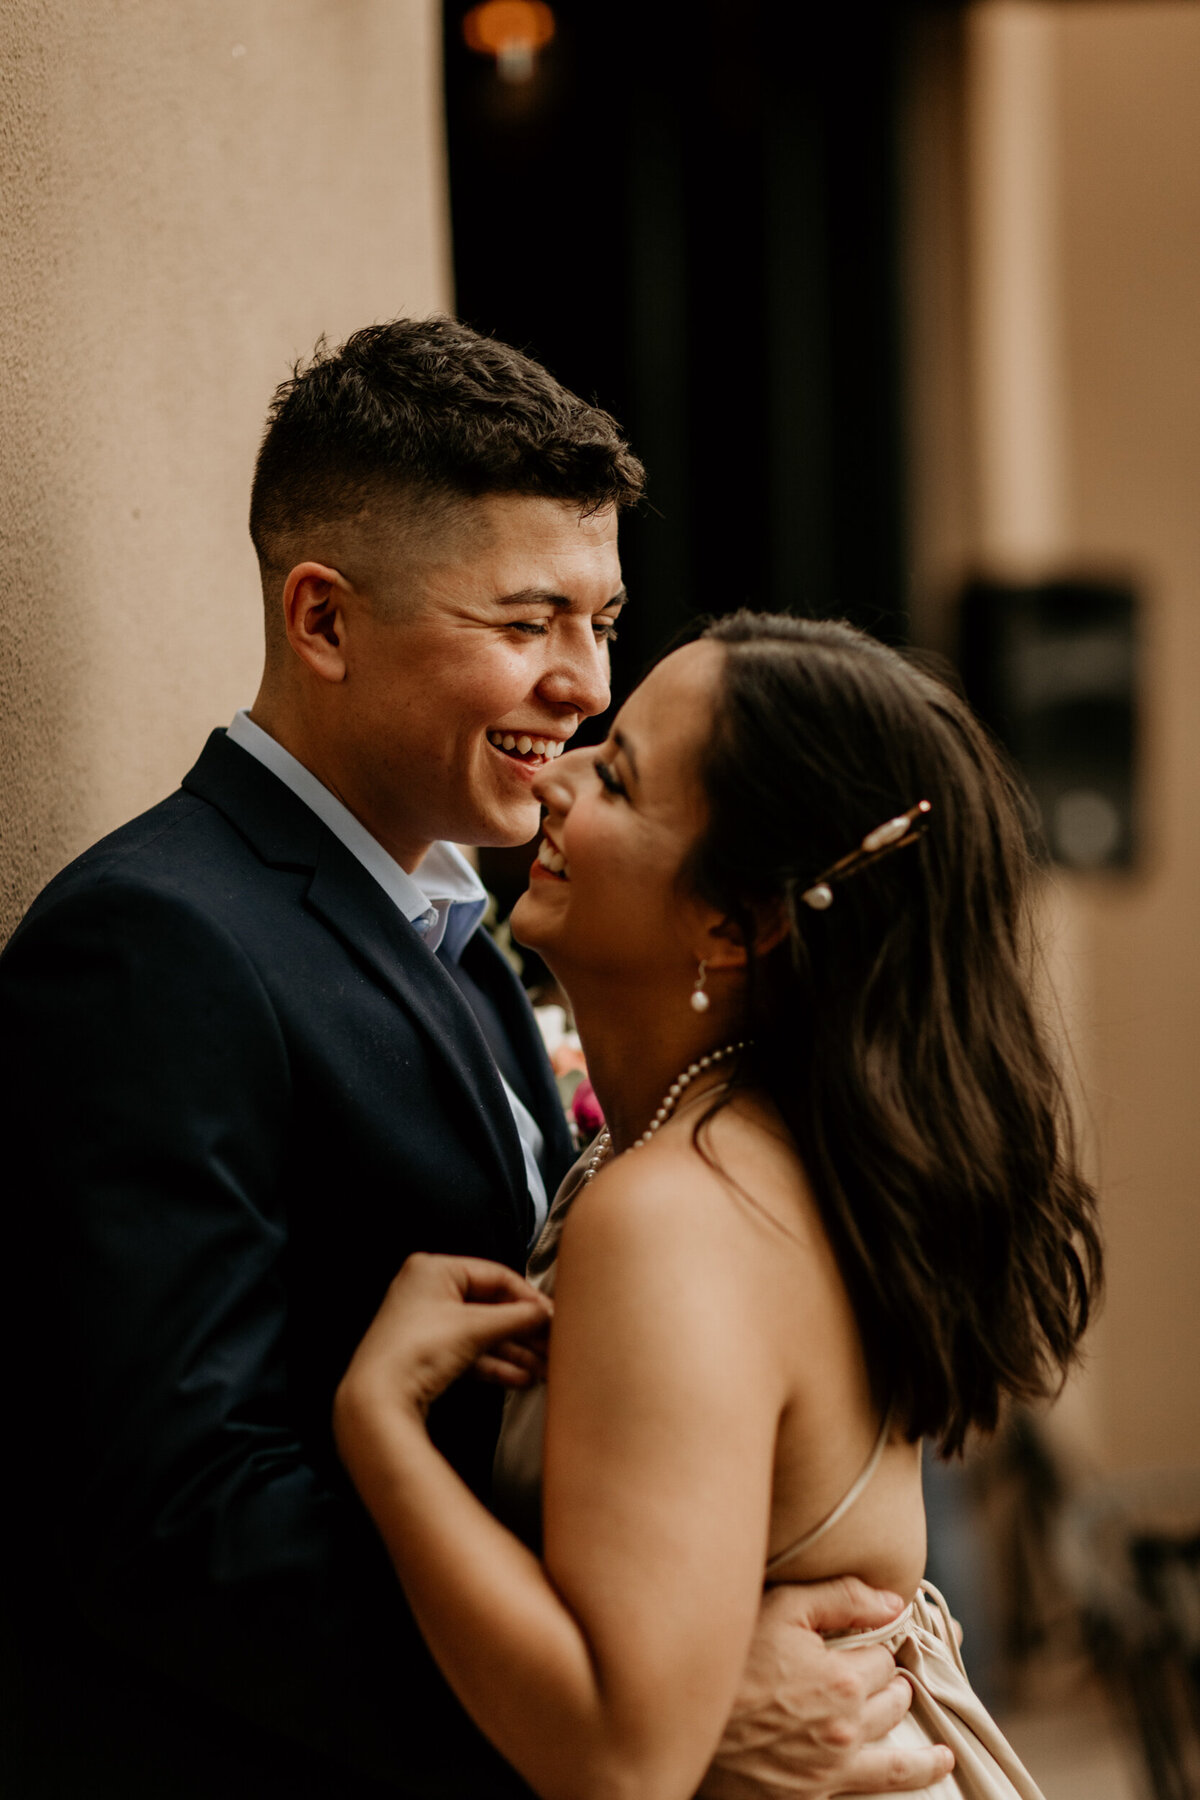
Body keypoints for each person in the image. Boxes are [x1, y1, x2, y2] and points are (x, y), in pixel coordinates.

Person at [0, 326, 944, 1800]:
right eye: (527, 624)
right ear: (324, 621)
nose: (583, 685)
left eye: (603, 619)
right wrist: (643, 1707)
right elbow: (175, 1517)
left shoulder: (465, 922)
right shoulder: (155, 945)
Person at [334, 613, 1104, 1800]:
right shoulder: (778, 1152)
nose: (559, 775)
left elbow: (622, 1757)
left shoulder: (683, 1213)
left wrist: (381, 1426)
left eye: (621, 779)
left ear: (734, 926)